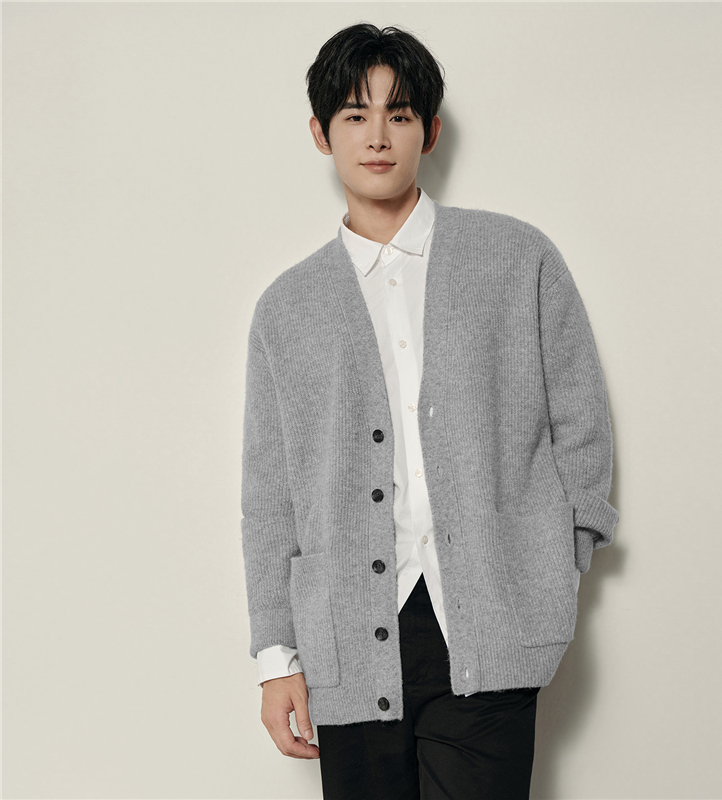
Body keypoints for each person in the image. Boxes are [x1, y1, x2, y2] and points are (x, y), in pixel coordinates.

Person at [240, 22, 619, 800]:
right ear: (321, 133)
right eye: (355, 115)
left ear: (430, 131)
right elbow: (269, 494)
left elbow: (580, 417)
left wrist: (554, 558)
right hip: (347, 633)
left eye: (400, 113)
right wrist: (277, 658)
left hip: (491, 613)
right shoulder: (286, 307)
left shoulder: (517, 258)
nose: (378, 135)